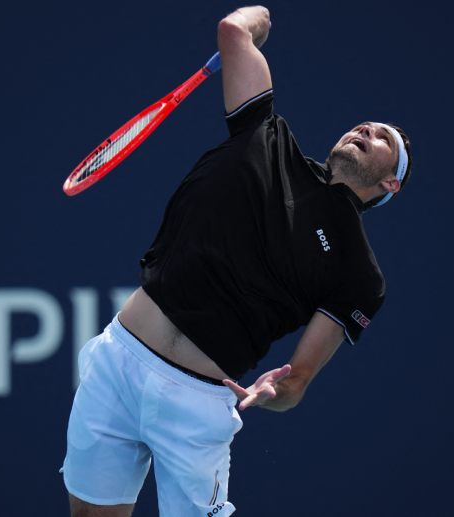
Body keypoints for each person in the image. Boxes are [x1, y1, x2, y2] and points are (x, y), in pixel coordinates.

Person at [61, 5, 413, 516]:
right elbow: (232, 30)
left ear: (390, 184)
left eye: (385, 139)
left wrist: (274, 392)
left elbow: (296, 382)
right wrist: (258, 19)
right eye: (365, 124)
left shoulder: (360, 275)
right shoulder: (265, 136)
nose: (367, 130)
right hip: (118, 358)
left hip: (195, 402)